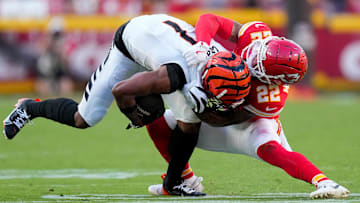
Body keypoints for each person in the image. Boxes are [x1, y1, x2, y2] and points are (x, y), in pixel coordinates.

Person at [2, 14, 251, 196]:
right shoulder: (173, 75)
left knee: (191, 118)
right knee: (84, 118)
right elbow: (121, 90)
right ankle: (28, 108)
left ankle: (173, 183)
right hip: (130, 43)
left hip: (162, 37)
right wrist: (134, 114)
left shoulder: (222, 59)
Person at [145, 13, 350, 199]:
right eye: (261, 50)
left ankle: (325, 182)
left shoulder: (268, 98)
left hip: (248, 120)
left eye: (258, 62)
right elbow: (209, 19)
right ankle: (185, 179)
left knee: (270, 148)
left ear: (271, 80)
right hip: (224, 98)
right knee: (158, 123)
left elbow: (224, 120)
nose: (252, 55)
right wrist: (202, 45)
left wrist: (198, 102)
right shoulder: (256, 35)